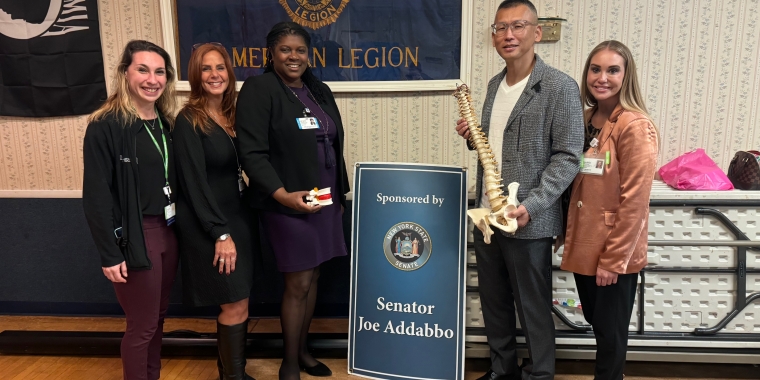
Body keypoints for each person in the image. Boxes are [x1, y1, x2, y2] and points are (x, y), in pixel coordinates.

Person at [454, 1, 584, 379]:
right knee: (494, 300)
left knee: (532, 304)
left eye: (518, 26)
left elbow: (567, 156)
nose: (508, 35)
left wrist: (534, 205)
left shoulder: (559, 86)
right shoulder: (495, 85)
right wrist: (471, 138)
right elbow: (497, 148)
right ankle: (502, 369)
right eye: (500, 28)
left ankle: (541, 374)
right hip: (488, 217)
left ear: (537, 32)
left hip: (530, 219)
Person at [235, 22, 350, 380]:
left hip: (323, 199)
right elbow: (251, 152)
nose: (294, 56)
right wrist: (283, 195)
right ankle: (288, 362)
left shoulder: (318, 90)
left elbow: (333, 145)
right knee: (298, 281)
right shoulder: (260, 88)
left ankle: (302, 351)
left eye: (300, 50)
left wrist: (339, 197)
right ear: (271, 53)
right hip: (287, 201)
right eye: (286, 49)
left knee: (313, 276)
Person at [560, 40, 659, 380]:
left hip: (611, 250)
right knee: (597, 324)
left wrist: (614, 260)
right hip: (583, 243)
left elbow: (635, 202)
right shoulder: (585, 119)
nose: (602, 77)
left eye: (613, 70)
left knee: (611, 336)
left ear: (626, 76)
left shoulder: (634, 126)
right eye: (595, 69)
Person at [83, 40, 178, 380]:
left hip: (169, 233)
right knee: (142, 327)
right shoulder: (106, 125)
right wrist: (109, 254)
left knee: (158, 319)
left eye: (159, 72)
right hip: (137, 237)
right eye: (143, 70)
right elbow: (96, 197)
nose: (152, 79)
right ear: (125, 73)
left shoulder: (165, 123)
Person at [172, 43, 258, 380]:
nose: (214, 75)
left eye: (220, 67)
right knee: (233, 303)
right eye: (206, 69)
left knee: (240, 301)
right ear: (196, 75)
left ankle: (230, 374)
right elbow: (193, 185)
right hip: (210, 224)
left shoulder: (233, 115)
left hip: (238, 218)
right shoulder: (188, 120)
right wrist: (219, 233)